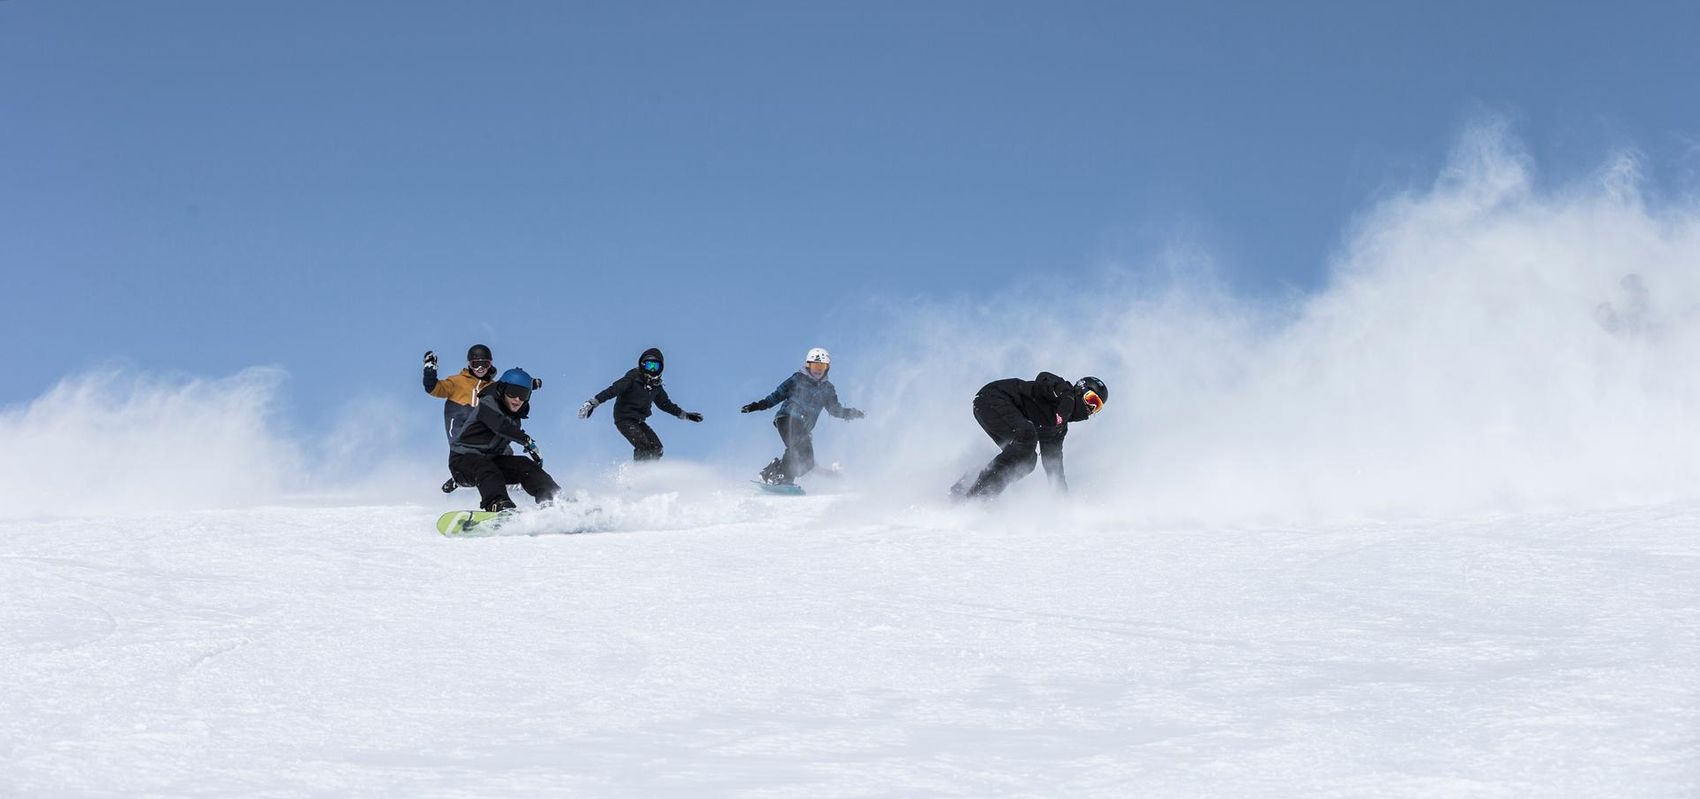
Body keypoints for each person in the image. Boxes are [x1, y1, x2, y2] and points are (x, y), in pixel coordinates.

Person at [953, 373, 1107, 500]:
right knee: (1027, 437)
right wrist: (1066, 397)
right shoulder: (1061, 391)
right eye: (1091, 400)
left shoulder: (1058, 428)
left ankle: (971, 489)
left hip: (992, 411)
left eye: (1096, 407)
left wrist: (1063, 500)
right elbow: (1044, 378)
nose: (1090, 409)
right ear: (1080, 390)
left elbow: (1053, 464)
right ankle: (975, 496)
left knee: (1027, 462)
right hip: (993, 398)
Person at [740, 347, 865, 485]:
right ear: (808, 365)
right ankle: (783, 476)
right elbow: (776, 395)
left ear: (826, 368)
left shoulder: (827, 389)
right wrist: (758, 405)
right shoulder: (797, 379)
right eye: (814, 365)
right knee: (796, 444)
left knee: (808, 463)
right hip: (787, 418)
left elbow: (835, 409)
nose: (817, 369)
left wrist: (852, 413)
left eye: (821, 366)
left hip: (804, 428)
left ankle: (771, 471)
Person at [449, 367, 562, 512]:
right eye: (513, 393)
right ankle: (498, 504)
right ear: (501, 390)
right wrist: (526, 441)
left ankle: (553, 499)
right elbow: (500, 426)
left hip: (490, 461)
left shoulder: (514, 416)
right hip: (462, 461)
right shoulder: (488, 404)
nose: (517, 399)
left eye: (523, 395)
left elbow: (503, 440)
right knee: (485, 467)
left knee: (524, 465)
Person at [578, 347, 703, 461]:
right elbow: (613, 390)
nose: (652, 370)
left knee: (657, 447)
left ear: (661, 368)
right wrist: (593, 402)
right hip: (624, 419)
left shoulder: (656, 387)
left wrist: (685, 415)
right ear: (642, 365)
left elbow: (665, 404)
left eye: (656, 367)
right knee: (643, 444)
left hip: (638, 421)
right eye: (649, 366)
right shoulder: (633, 377)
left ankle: (649, 474)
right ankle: (638, 473)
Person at [423, 344, 497, 493]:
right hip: (459, 426)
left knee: (500, 451)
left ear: (490, 364)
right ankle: (461, 478)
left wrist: (528, 385)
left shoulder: (494, 387)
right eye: (476, 364)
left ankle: (510, 483)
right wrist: (429, 372)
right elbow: (434, 389)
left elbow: (510, 394)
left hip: (482, 429)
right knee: (466, 454)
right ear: (469, 364)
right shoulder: (457, 382)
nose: (480, 368)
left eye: (485, 364)